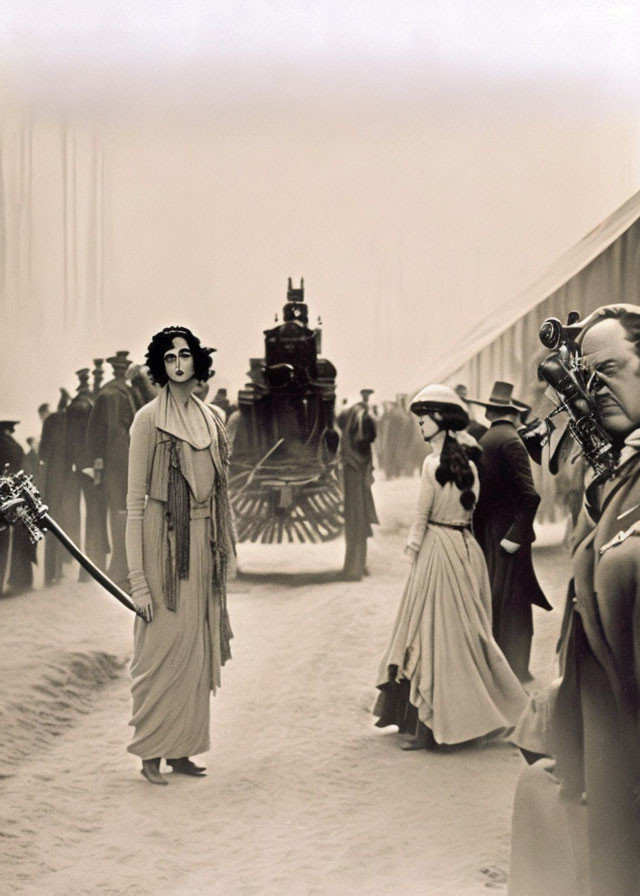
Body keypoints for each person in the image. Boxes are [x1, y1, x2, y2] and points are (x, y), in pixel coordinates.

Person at [510, 304, 640, 896]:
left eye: (609, 368)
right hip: (604, 740)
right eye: (583, 376)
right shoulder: (616, 472)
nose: (593, 390)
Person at [373, 385, 527, 749]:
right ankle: (494, 711)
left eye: (424, 420)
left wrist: (412, 549)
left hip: (437, 551)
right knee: (465, 637)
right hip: (466, 550)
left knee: (429, 635)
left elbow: (422, 516)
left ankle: (428, 727)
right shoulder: (471, 465)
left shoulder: (431, 465)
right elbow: (472, 514)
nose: (421, 427)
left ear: (439, 421)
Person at [126, 325, 235, 785]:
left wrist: (226, 549)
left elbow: (222, 491)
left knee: (197, 645)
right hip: (162, 545)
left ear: (197, 362)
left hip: (204, 541)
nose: (177, 363)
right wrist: (138, 580)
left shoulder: (214, 419)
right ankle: (152, 752)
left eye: (184, 354)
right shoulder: (147, 419)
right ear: (160, 365)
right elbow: (134, 502)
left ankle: (183, 749)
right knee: (161, 647)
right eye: (168, 357)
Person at [470, 381, 552, 683]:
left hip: (491, 532)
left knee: (498, 600)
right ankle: (515, 670)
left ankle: (505, 669)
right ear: (511, 413)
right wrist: (516, 536)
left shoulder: (487, 440)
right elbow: (530, 496)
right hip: (509, 534)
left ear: (490, 412)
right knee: (515, 605)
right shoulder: (512, 441)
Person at [337, 388, 379, 580]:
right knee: (358, 521)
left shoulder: (349, 423)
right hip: (357, 476)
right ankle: (355, 568)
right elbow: (366, 440)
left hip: (354, 473)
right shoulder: (361, 419)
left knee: (356, 521)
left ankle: (355, 566)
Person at [0, 420, 35, 596]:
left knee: (2, 542)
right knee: (12, 540)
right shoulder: (17, 447)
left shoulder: (2, 446)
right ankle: (21, 581)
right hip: (15, 497)